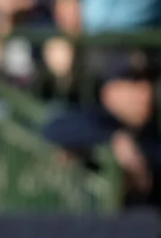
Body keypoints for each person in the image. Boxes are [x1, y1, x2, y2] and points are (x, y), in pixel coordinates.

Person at [44, 52, 161, 203]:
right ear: (110, 91)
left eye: (145, 82)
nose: (144, 91)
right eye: (132, 82)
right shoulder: (96, 116)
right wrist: (113, 139)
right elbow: (52, 129)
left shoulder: (150, 132)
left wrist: (141, 164)